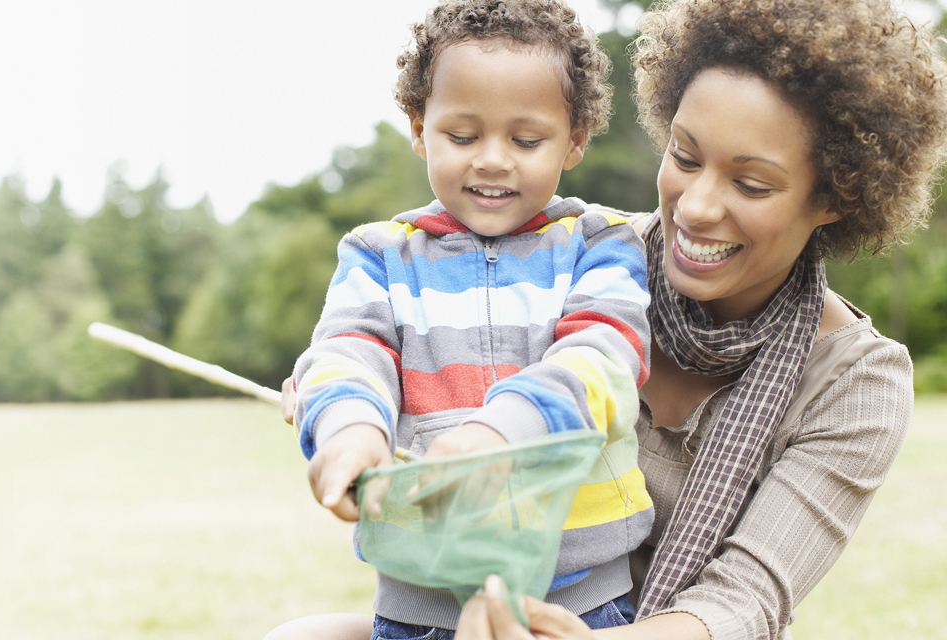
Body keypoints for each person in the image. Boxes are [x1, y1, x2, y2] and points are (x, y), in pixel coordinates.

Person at [275, 0, 947, 638]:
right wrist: (343, 401)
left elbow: (744, 603)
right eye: (684, 156)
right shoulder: (581, 255)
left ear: (834, 195)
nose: (698, 207)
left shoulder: (858, 381)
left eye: (751, 184)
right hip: (473, 601)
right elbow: (375, 341)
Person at [279, 0, 653, 636]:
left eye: (527, 140)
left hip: (577, 603)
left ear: (577, 138)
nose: (492, 160)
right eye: (462, 136)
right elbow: (346, 353)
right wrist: (349, 428)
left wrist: (501, 434)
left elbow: (601, 358)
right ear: (420, 127)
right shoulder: (378, 255)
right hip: (418, 605)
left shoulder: (601, 244)